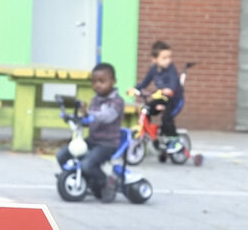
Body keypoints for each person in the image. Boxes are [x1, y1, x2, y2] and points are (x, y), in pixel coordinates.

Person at [56, 62, 125, 203]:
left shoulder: (116, 102)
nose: (97, 85)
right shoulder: (95, 99)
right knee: (62, 155)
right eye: (94, 82)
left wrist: (89, 113)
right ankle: (83, 178)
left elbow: (107, 116)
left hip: (107, 144)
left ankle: (107, 182)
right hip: (92, 140)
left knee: (87, 165)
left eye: (102, 81)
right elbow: (89, 120)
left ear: (113, 81)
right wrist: (77, 119)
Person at [127, 40, 183, 154]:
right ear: (154, 59)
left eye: (169, 57)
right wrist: (136, 89)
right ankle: (151, 133)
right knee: (145, 109)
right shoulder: (153, 69)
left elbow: (173, 82)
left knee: (166, 118)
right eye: (164, 58)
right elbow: (145, 82)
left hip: (173, 99)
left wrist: (169, 89)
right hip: (161, 98)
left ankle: (175, 140)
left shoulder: (171, 69)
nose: (168, 60)